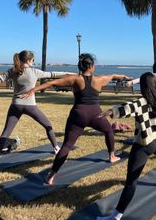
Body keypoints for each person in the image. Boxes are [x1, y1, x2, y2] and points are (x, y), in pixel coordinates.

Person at [21, 53, 130, 185]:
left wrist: (34, 89)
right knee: (108, 131)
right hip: (96, 114)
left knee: (67, 145)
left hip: (78, 114)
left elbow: (52, 82)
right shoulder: (100, 79)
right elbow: (113, 76)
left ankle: (51, 175)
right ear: (90, 66)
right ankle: (112, 156)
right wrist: (124, 76)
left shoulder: (75, 79)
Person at [96, 72, 156, 220]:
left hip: (145, 144)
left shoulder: (142, 102)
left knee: (131, 182)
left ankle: (116, 216)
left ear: (142, 86)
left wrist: (109, 112)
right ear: (155, 84)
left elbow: (126, 108)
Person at [0, 50, 72, 169]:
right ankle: (56, 148)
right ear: (29, 60)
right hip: (30, 106)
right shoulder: (34, 71)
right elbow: (53, 74)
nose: (34, 62)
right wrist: (69, 73)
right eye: (33, 60)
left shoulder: (13, 71)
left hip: (16, 105)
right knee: (48, 125)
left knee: (6, 133)